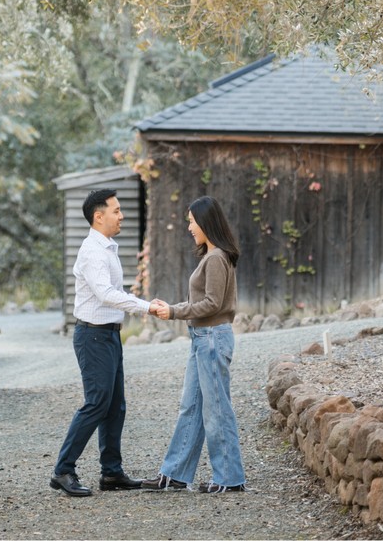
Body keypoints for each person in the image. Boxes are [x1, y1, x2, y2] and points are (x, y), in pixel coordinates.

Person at [51, 186, 163, 497]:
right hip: (92, 336)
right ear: (98, 217)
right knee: (97, 403)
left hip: (109, 335)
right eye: (116, 210)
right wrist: (147, 307)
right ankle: (63, 470)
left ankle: (111, 473)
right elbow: (107, 295)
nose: (121, 215)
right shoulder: (92, 252)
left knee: (115, 407)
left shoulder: (107, 247)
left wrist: (142, 306)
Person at [142, 196, 246, 494]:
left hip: (212, 338)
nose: (189, 227)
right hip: (203, 338)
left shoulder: (216, 258)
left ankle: (229, 478)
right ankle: (175, 474)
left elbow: (212, 304)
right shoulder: (213, 256)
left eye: (191, 221)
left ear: (205, 222)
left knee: (216, 411)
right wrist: (170, 307)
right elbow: (202, 302)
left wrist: (173, 312)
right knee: (191, 406)